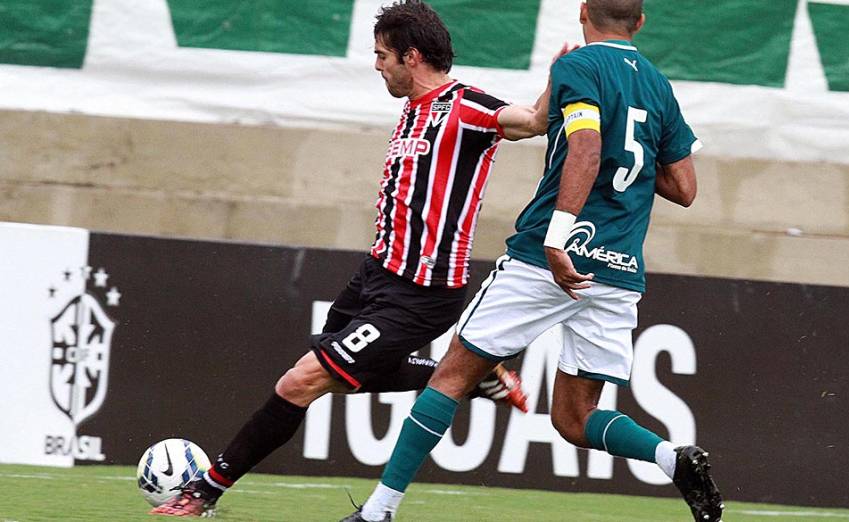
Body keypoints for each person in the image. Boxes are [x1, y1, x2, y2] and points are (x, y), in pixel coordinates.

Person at [150, 0, 567, 517]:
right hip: (375, 275)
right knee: (347, 371)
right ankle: (468, 376)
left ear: (411, 57)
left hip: (422, 292)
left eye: (381, 55)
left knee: (300, 381)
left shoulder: (465, 106)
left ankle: (206, 490)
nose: (376, 66)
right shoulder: (412, 112)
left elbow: (530, 121)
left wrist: (557, 79)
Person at [343, 0, 725, 521]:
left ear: (584, 12)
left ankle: (378, 512)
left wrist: (558, 235)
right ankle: (670, 456)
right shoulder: (659, 85)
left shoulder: (578, 66)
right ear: (640, 23)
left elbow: (586, 148)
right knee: (574, 418)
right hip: (617, 272)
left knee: (451, 376)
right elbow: (684, 187)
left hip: (551, 259)